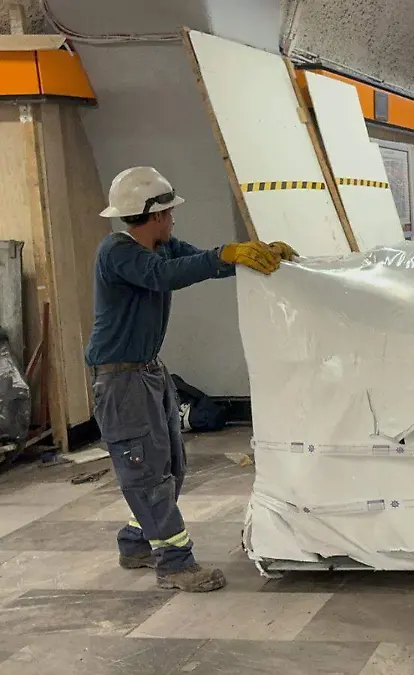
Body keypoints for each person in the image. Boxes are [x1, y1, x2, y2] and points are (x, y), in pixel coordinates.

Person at [87, 166, 295, 593]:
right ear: (155, 215)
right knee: (146, 473)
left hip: (148, 371)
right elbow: (164, 275)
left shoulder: (162, 247)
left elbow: (198, 263)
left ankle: (136, 542)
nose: (173, 219)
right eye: (170, 212)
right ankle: (175, 564)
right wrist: (225, 254)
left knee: (171, 466)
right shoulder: (118, 251)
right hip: (121, 380)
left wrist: (253, 258)